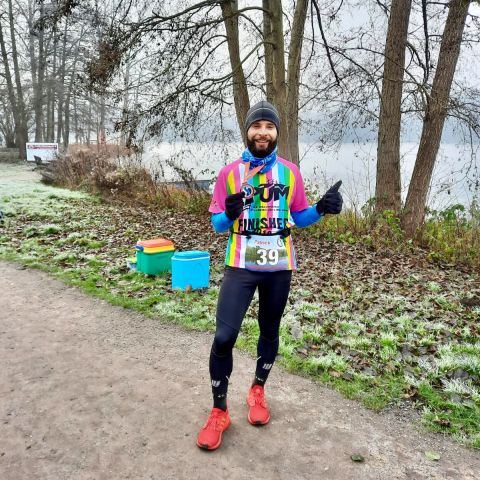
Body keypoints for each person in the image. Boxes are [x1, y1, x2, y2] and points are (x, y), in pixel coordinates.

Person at [196, 100, 342, 450]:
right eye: (256, 126)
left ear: (277, 132)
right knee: (223, 337)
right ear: (247, 131)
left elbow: (300, 217)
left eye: (269, 126)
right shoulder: (229, 173)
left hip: (278, 266)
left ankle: (258, 390)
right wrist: (229, 213)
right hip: (240, 264)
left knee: (269, 331)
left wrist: (321, 209)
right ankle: (219, 411)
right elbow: (217, 225)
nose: (263, 132)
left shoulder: (290, 172)